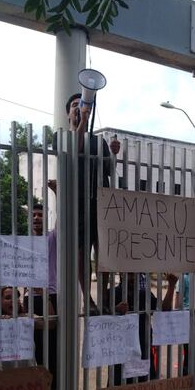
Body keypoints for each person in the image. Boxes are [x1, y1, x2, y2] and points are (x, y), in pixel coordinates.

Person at [63, 93, 120, 313]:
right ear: (68, 112)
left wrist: (113, 154)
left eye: (84, 105)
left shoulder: (98, 141)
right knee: (81, 252)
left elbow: (109, 170)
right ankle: (88, 298)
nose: (79, 109)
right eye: (75, 106)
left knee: (103, 252)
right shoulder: (62, 136)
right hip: (78, 202)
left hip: (101, 202)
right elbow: (74, 150)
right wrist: (83, 123)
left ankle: (103, 296)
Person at [111, 272, 177, 390]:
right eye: (128, 271)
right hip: (122, 355)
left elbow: (163, 310)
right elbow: (100, 319)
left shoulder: (144, 294)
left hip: (143, 351)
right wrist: (115, 311)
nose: (131, 274)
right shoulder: (113, 293)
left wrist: (171, 285)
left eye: (134, 270)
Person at [23, 202, 59, 390]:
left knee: (51, 346)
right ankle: (38, 389)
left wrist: (57, 194)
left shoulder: (52, 237)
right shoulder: (24, 241)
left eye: (40, 215)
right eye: (33, 215)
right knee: (33, 346)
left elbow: (63, 223)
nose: (36, 219)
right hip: (30, 297)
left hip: (50, 296)